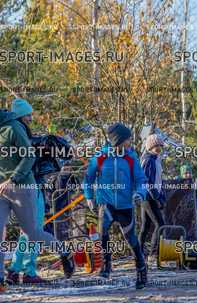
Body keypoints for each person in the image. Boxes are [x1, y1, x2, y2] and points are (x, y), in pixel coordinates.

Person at [0, 100, 75, 291]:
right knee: (20, 233)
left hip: (29, 188)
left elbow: (36, 156)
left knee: (32, 232)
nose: (31, 119)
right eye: (28, 115)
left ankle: (30, 267)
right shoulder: (16, 132)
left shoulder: (23, 133)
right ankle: (14, 272)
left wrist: (14, 178)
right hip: (8, 189)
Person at [84, 122, 148, 289]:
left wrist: (140, 193)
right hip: (106, 204)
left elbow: (141, 180)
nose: (130, 142)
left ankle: (141, 270)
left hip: (126, 205)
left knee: (131, 239)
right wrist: (89, 197)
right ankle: (106, 266)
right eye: (127, 139)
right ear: (118, 140)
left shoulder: (131, 157)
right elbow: (88, 178)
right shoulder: (100, 156)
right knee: (102, 233)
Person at [139, 133, 166, 262]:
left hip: (152, 196)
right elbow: (147, 182)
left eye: (160, 145)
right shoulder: (148, 160)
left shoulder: (157, 159)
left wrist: (162, 196)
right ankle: (153, 254)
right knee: (160, 224)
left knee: (145, 226)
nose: (159, 148)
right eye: (156, 146)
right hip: (148, 197)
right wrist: (157, 197)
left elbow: (159, 180)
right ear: (150, 147)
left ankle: (138, 253)